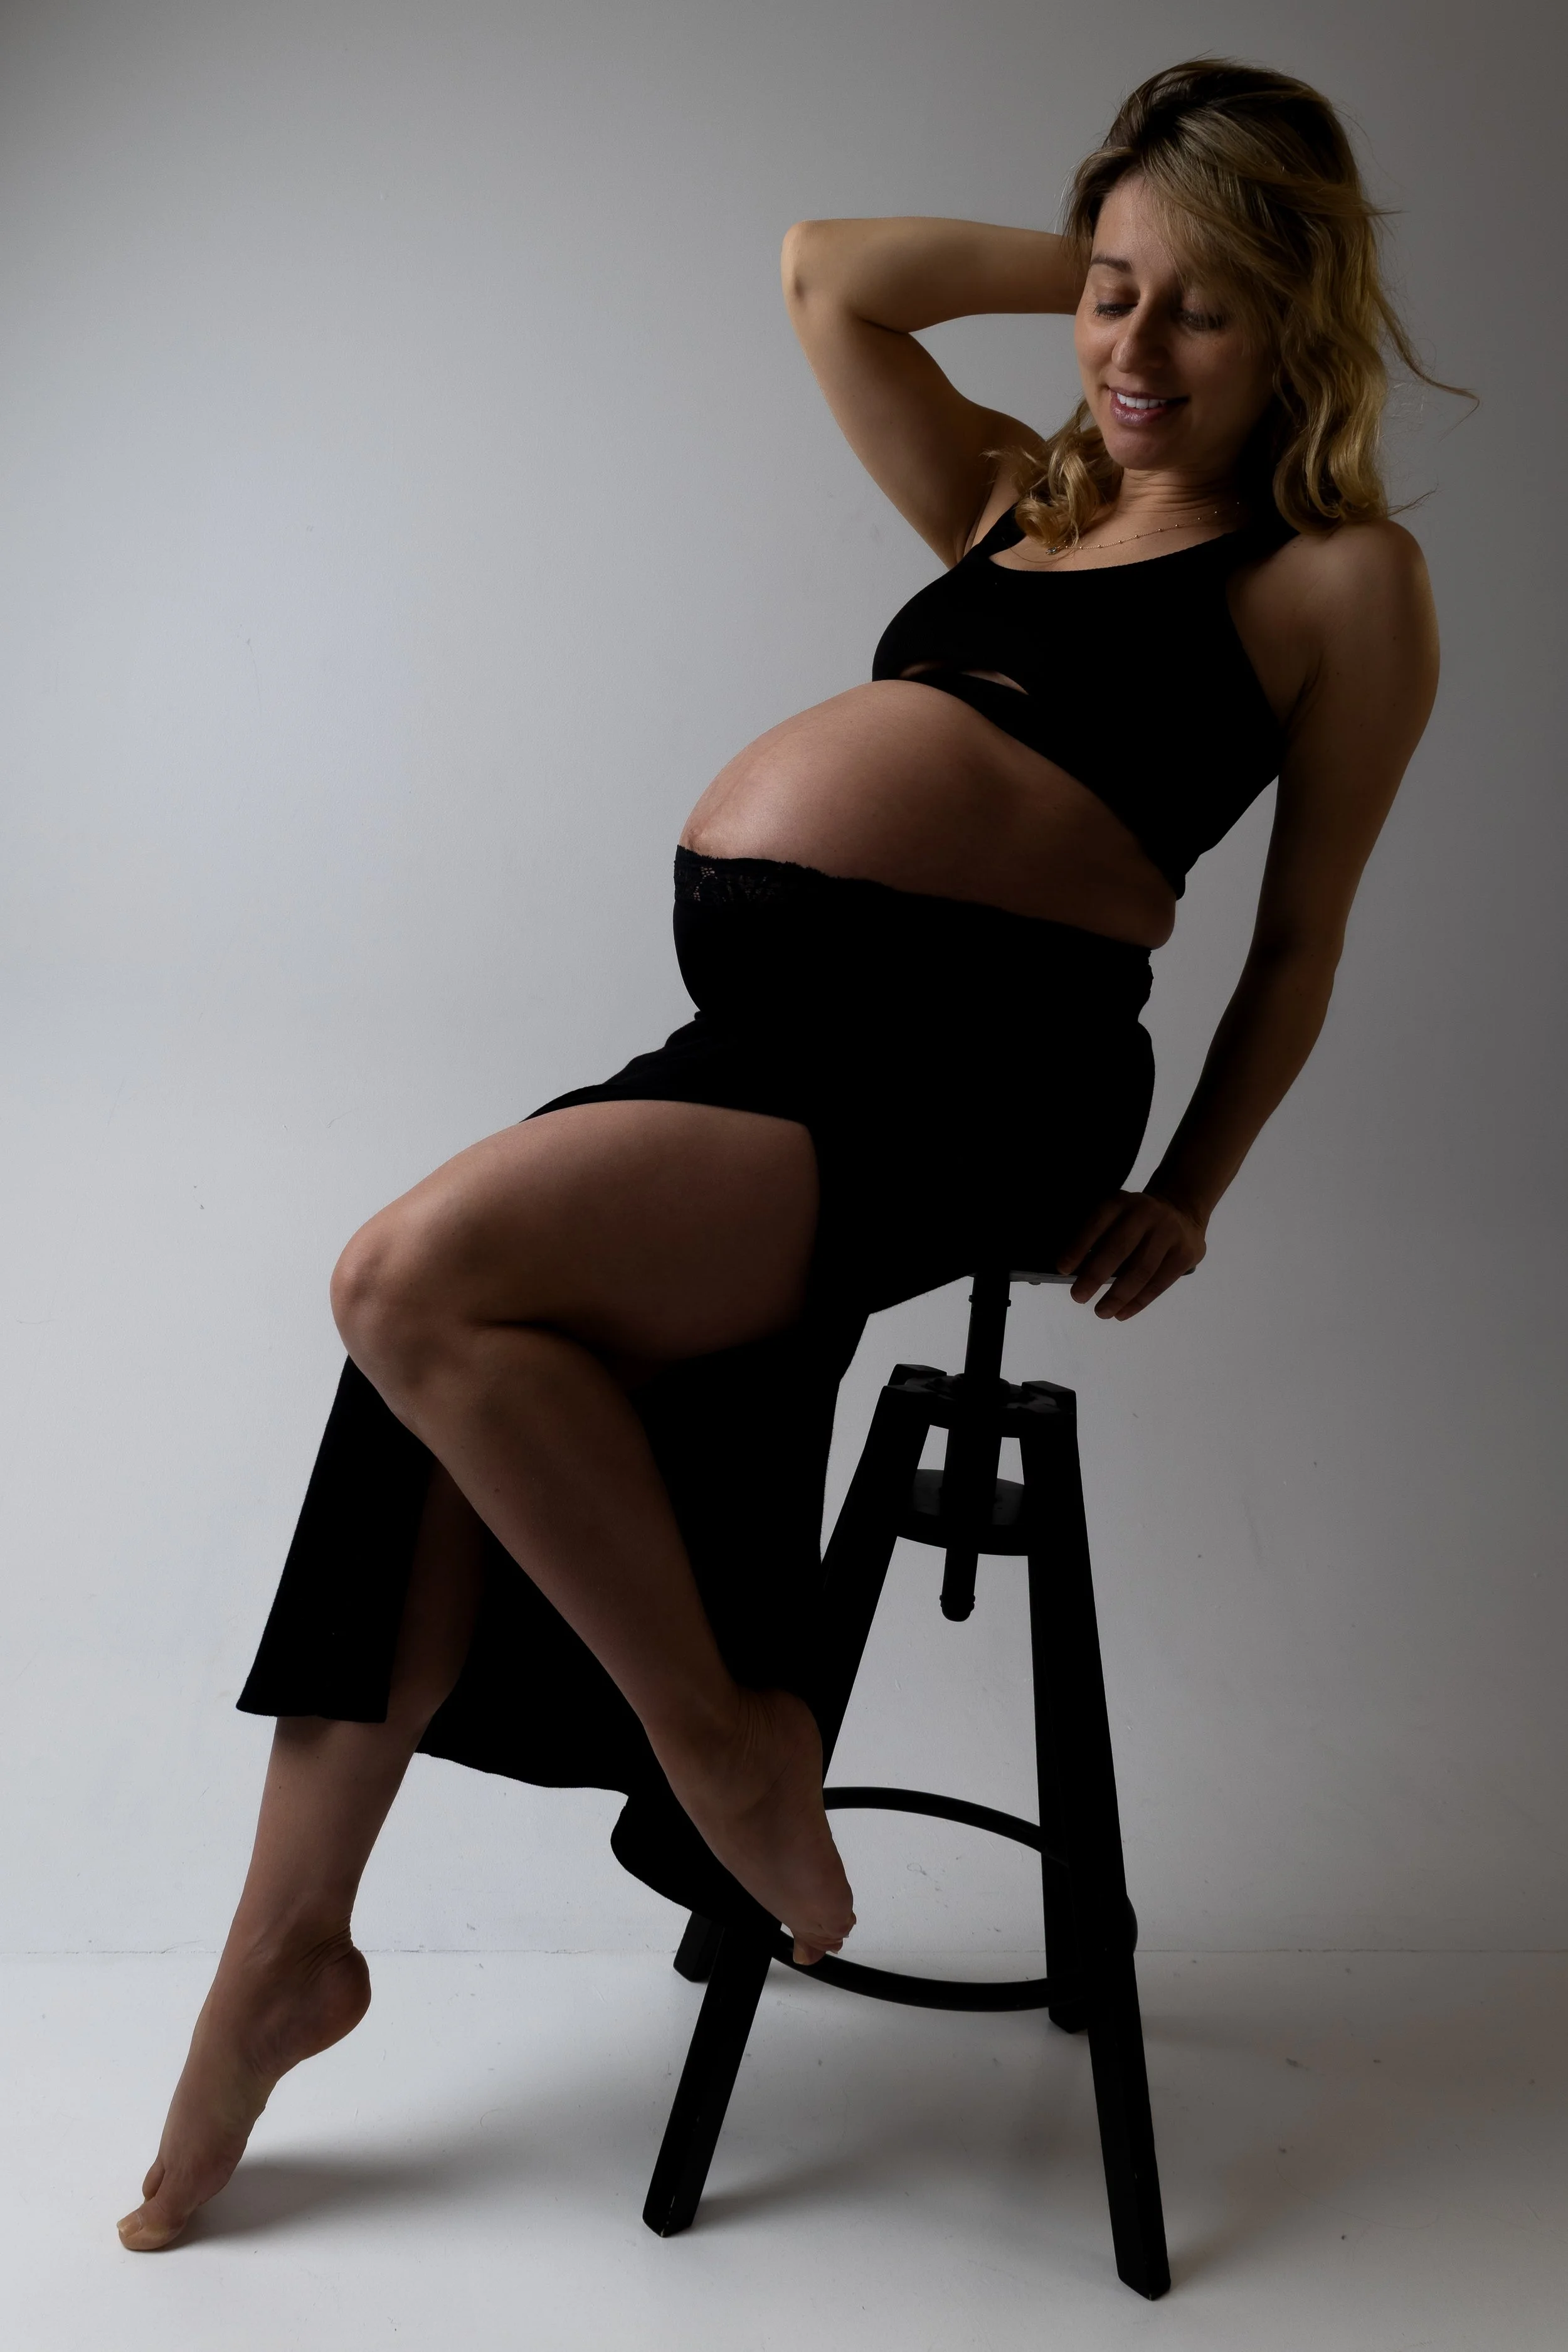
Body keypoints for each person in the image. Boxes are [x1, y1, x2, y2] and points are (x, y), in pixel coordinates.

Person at [118, 56, 1455, 2252]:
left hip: (977, 1084)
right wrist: (1125, 249)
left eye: (1198, 313)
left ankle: (732, 1745)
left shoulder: (1335, 578)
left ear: (1295, 319)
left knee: (410, 1280)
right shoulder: (1025, 494)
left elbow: (1299, 938)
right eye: (1108, 295)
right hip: (767, 1041)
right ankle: (285, 1958)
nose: (1125, 349)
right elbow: (828, 275)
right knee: (424, 1373)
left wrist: (1193, 1184)